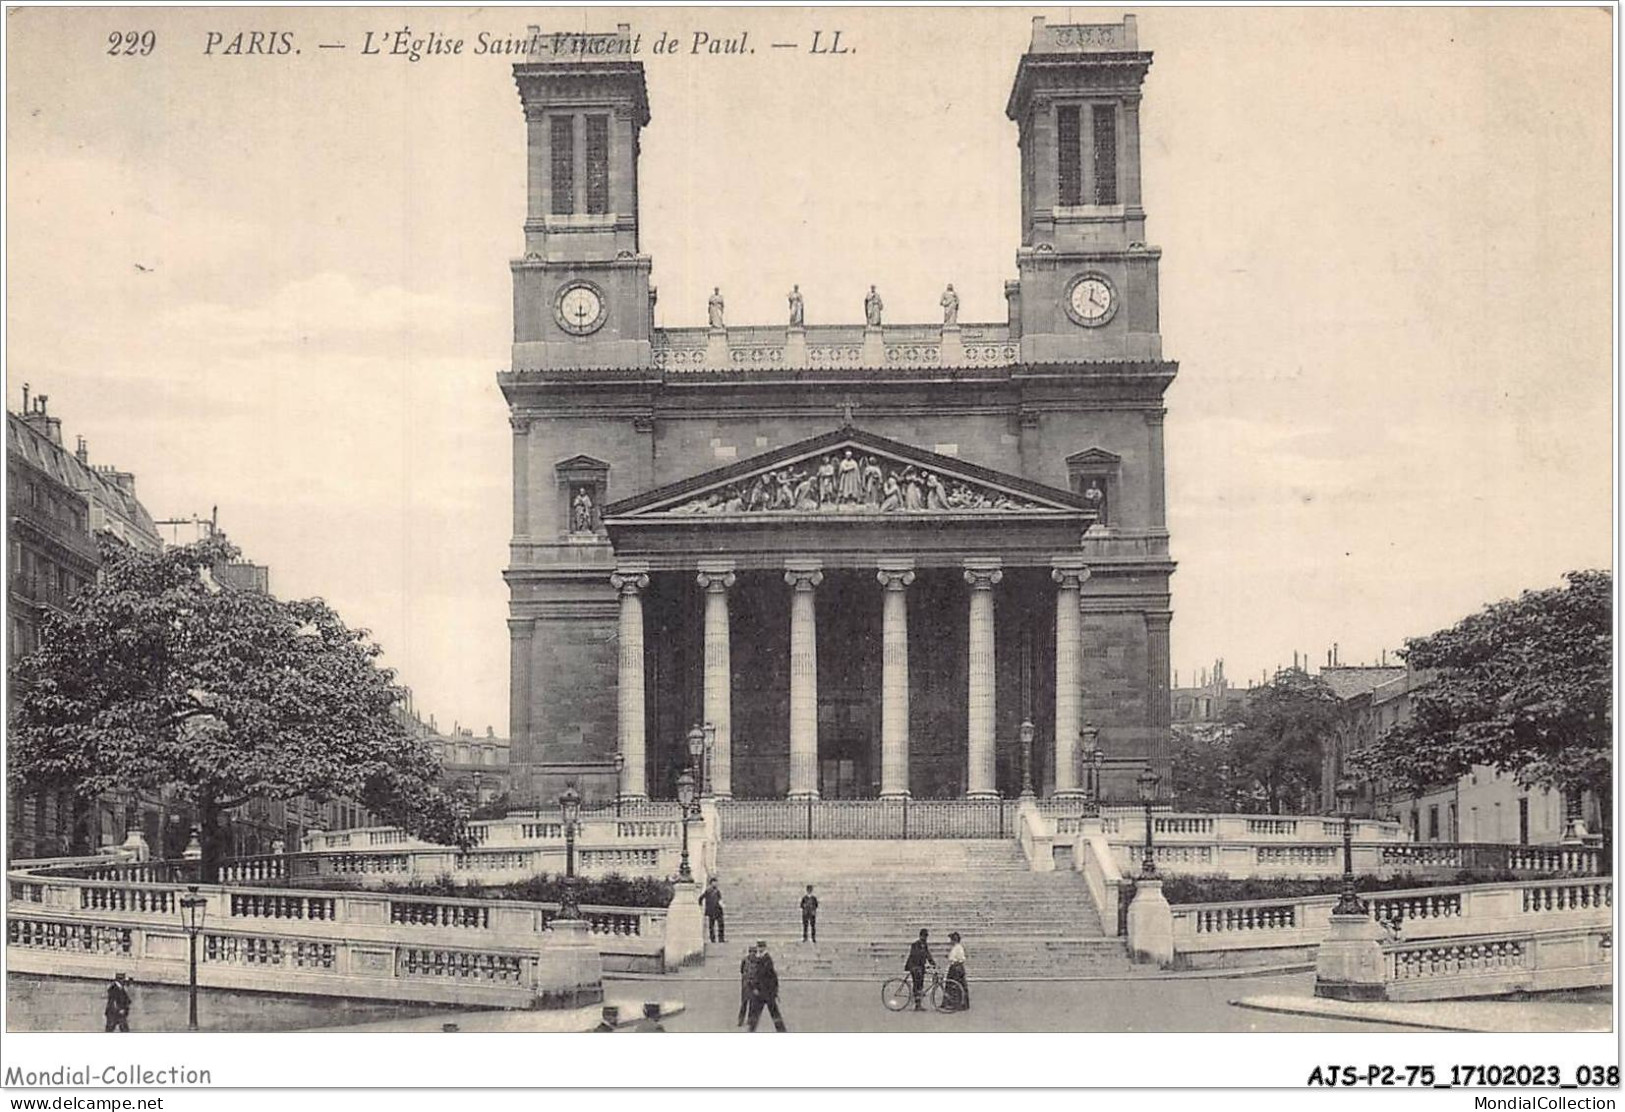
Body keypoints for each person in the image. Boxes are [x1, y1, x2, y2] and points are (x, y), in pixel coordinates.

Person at [746, 940, 788, 1032]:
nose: (759, 950)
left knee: (772, 1012)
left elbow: (767, 976)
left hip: (766, 991)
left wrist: (774, 990)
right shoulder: (761, 959)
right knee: (759, 1013)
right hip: (763, 992)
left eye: (761, 948)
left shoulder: (765, 960)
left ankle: (781, 1030)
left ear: (764, 948)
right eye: (759, 948)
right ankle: (751, 1030)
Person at [904, 929, 934, 1012]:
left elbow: (928, 954)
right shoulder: (915, 944)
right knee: (917, 985)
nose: (925, 938)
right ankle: (917, 1005)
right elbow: (915, 955)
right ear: (920, 936)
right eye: (924, 936)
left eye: (926, 936)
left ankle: (919, 1003)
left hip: (920, 967)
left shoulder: (925, 944)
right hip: (914, 967)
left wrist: (933, 964)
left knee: (920, 985)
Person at [944, 932, 970, 1011]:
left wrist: (954, 961)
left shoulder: (958, 948)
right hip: (955, 967)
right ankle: (953, 1003)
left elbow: (961, 958)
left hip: (956, 969)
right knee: (953, 985)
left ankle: (957, 1003)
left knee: (956, 986)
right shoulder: (956, 947)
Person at [737, 943, 759, 1026]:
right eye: (751, 952)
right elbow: (742, 970)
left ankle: (750, 1019)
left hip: (754, 984)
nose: (752, 954)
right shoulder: (745, 960)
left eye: (754, 952)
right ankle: (741, 1019)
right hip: (746, 984)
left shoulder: (758, 961)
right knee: (744, 1003)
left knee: (753, 1003)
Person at [699, 877, 725, 943]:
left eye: (716, 882)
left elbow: (720, 900)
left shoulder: (717, 891)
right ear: (711, 883)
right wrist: (701, 905)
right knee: (711, 926)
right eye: (714, 882)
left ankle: (721, 939)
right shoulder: (708, 891)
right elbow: (701, 898)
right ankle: (713, 939)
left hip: (718, 910)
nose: (716, 884)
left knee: (721, 925)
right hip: (711, 911)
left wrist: (722, 905)